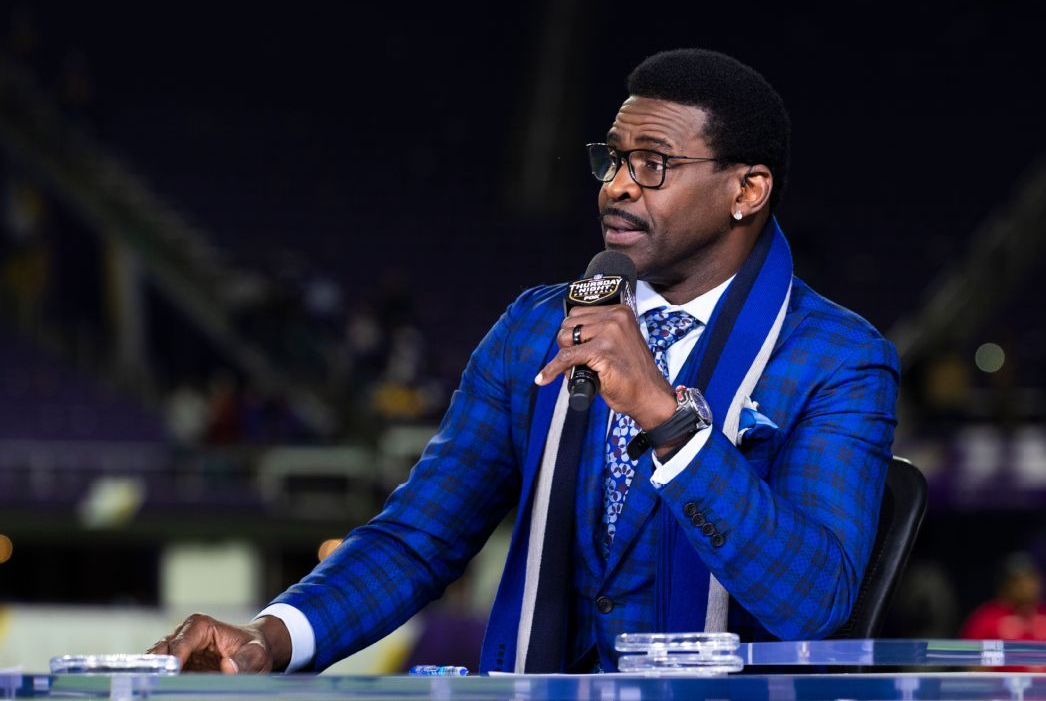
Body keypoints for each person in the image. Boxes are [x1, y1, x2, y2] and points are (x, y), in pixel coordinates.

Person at [149, 48, 900, 674]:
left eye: (654, 164)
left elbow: (817, 600)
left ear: (747, 190)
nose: (616, 185)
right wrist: (271, 638)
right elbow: (419, 537)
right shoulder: (539, 325)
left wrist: (667, 417)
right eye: (612, 158)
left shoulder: (839, 358)